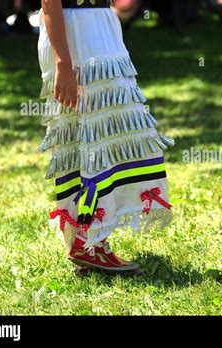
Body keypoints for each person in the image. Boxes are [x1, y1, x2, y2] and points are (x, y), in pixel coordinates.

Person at [37, 0, 175, 274]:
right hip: (75, 35)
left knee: (106, 134)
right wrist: (63, 64)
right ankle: (89, 240)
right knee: (91, 136)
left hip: (100, 28)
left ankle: (88, 239)